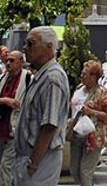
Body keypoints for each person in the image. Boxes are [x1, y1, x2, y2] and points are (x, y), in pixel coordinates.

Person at [14, 26, 69, 186]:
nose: (25, 48)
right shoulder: (42, 75)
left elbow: (49, 125)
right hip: (31, 158)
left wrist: (33, 164)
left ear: (49, 46)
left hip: (41, 160)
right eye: (25, 43)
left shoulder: (52, 78)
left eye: (31, 44)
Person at [70, 60, 107, 186]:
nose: (81, 76)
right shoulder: (78, 89)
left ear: (94, 77)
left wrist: (91, 112)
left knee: (85, 172)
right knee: (74, 170)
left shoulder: (102, 93)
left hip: (92, 137)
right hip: (76, 134)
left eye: (85, 74)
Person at [0, 51, 31, 186]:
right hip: (1, 128)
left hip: (16, 128)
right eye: (7, 60)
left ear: (21, 62)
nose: (8, 63)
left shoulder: (28, 79)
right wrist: (5, 100)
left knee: (6, 165)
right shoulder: (2, 78)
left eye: (12, 61)